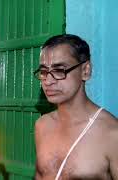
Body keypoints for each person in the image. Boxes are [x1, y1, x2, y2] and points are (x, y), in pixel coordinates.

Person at [34, 34, 118, 179]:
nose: (48, 81)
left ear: (85, 71)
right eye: (43, 72)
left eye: (59, 70)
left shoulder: (112, 134)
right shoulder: (42, 125)